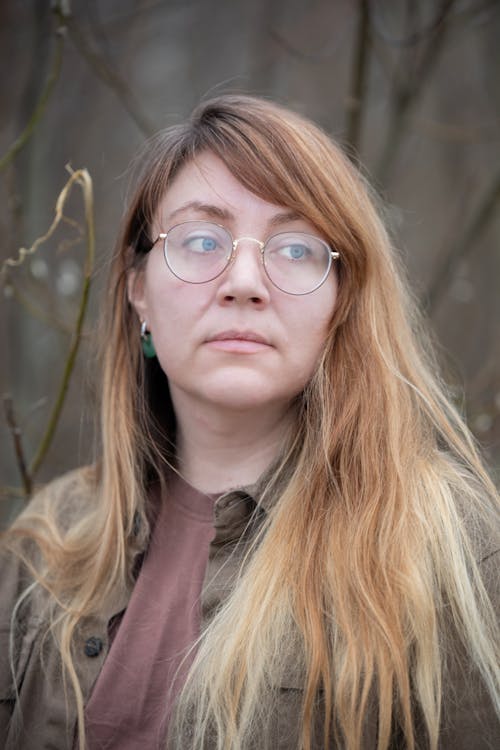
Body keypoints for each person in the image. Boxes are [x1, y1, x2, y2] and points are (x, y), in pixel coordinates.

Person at [0, 95, 498, 750]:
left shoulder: (450, 551)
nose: (243, 280)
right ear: (138, 288)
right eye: (201, 240)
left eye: (295, 249)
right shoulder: (43, 549)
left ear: (341, 299)